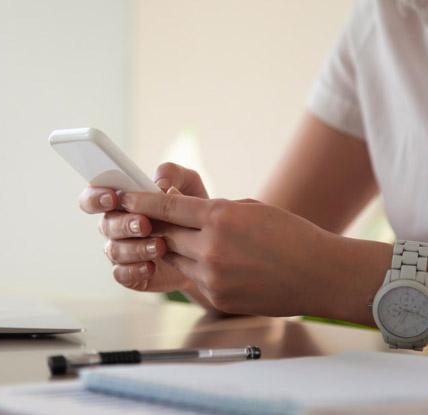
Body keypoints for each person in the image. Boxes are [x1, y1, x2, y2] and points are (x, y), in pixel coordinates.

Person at [78, 0, 428, 328]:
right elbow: (269, 270)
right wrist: (191, 258)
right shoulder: (383, 21)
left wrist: (329, 273)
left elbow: (302, 267)